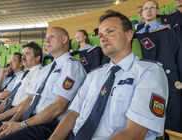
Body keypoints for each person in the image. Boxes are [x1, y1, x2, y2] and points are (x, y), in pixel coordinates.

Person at [49, 10, 168, 140]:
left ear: (129, 35)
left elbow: (134, 134)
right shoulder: (93, 75)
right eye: (100, 35)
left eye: (110, 32)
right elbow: (73, 114)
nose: (103, 38)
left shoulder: (149, 72)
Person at [0, 27, 87, 140]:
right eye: (46, 37)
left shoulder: (72, 67)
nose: (46, 41)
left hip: (47, 123)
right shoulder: (46, 69)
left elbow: (59, 106)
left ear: (64, 40)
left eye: (51, 37)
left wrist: (22, 124)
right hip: (28, 118)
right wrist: (13, 121)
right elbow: (30, 99)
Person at [136, 0, 182, 135]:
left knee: (174, 123)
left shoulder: (168, 31)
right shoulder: (135, 37)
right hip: (146, 82)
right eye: (146, 8)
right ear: (142, 13)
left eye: (152, 8)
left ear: (158, 11)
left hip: (170, 80)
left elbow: (179, 56)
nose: (149, 10)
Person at [0, 42, 42, 128]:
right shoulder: (22, 75)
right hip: (5, 108)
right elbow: (9, 98)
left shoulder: (39, 73)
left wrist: (2, 116)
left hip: (17, 112)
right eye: (23, 53)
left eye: (27, 54)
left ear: (37, 58)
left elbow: (27, 101)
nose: (23, 56)